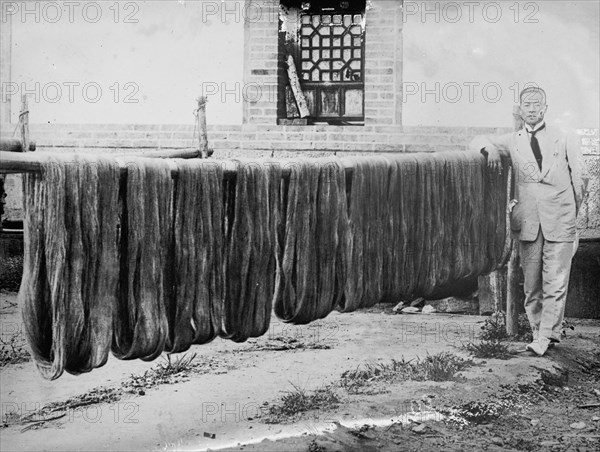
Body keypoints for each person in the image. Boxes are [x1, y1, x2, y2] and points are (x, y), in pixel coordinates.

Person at [470, 86, 588, 356]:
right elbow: (476, 140)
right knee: (532, 283)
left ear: (545, 108)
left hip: (561, 218)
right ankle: (539, 331)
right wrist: (490, 149)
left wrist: (572, 215)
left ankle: (545, 336)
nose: (532, 109)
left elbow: (579, 180)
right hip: (528, 222)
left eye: (537, 104)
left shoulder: (564, 137)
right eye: (527, 104)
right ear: (520, 109)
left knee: (556, 281)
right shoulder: (513, 140)